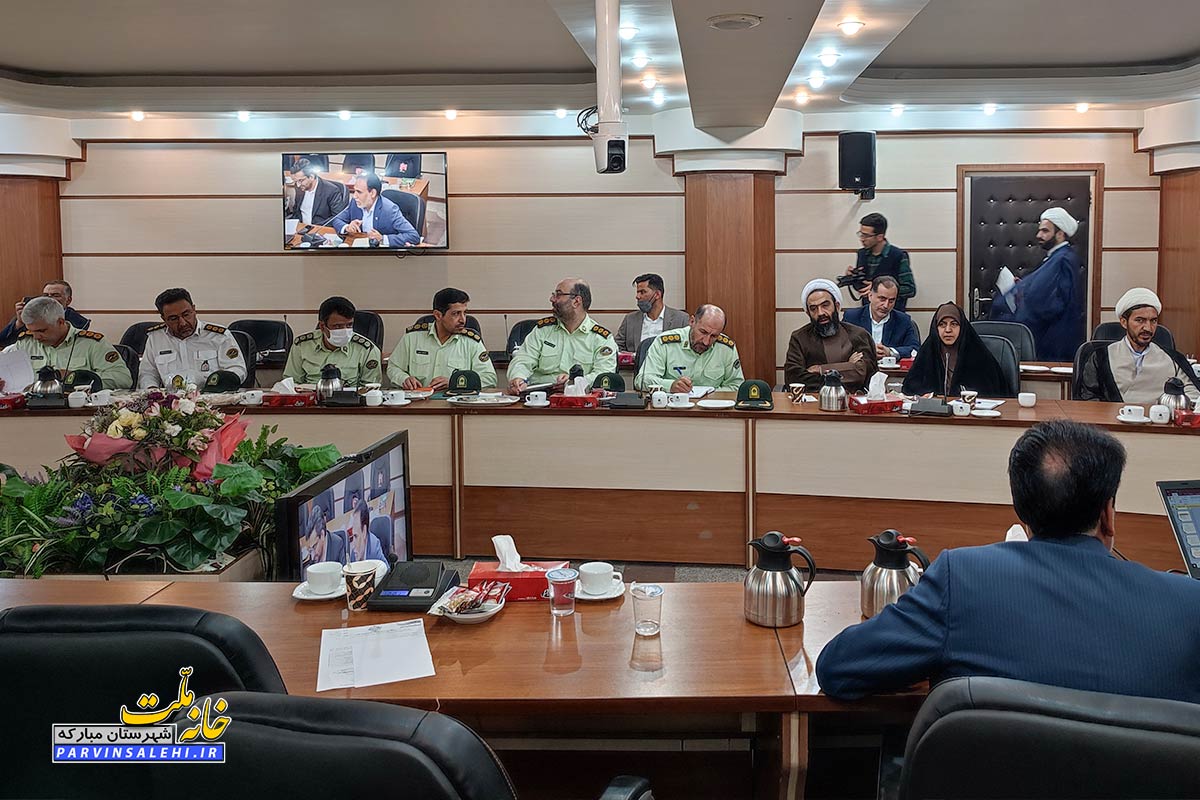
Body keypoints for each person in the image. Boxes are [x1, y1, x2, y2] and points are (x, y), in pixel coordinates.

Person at [816, 420, 1200, 704]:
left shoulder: (962, 579)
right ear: (1108, 514)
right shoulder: (1188, 604)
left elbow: (838, 668)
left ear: (1022, 510)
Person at [989, 206, 1084, 362]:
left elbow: (1051, 302)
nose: (1039, 235)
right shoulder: (1055, 258)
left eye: (1045, 231)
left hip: (1054, 342)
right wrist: (1024, 287)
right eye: (1040, 230)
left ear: (1060, 234)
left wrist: (1022, 293)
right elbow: (1045, 288)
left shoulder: (1063, 260)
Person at [1077, 288, 1200, 404]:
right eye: (1140, 320)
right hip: (1113, 418)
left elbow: (1193, 395)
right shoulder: (1100, 357)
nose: (1148, 328)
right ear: (1124, 322)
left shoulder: (1174, 359)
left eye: (1153, 321)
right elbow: (1088, 399)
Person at [507, 278, 617, 393]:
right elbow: (523, 359)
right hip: (539, 396)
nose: (552, 299)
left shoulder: (601, 338)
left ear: (576, 301)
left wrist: (575, 382)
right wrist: (518, 377)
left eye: (558, 295)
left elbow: (604, 374)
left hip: (579, 397)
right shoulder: (543, 330)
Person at [1, 297, 131, 391]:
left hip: (77, 409)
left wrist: (77, 378)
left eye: (41, 331)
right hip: (31, 410)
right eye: (31, 331)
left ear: (60, 322)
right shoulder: (25, 343)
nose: (36, 337)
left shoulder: (92, 344)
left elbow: (123, 378)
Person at [386, 288, 496, 390]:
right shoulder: (412, 338)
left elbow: (489, 378)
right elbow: (393, 367)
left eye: (464, 313)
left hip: (456, 402)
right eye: (456, 314)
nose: (463, 320)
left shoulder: (472, 342)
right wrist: (404, 379)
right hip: (420, 401)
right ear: (438, 315)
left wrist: (455, 383)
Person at [138, 288, 245, 390]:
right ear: (164, 319)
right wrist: (153, 391)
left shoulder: (219, 336)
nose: (183, 323)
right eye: (174, 319)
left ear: (194, 309)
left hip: (212, 396)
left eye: (186, 314)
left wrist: (221, 385)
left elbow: (237, 368)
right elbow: (147, 373)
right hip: (171, 399)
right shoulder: (155, 338)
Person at [783, 279, 877, 391]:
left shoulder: (858, 335)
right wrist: (847, 367)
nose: (820, 313)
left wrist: (821, 369)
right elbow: (794, 379)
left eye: (825, 305)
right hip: (813, 400)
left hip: (851, 399)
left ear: (837, 306)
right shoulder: (799, 338)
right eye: (813, 309)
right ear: (808, 313)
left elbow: (862, 373)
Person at [902, 302, 1011, 397]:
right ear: (936, 328)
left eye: (954, 324)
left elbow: (993, 393)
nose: (948, 330)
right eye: (942, 324)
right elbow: (909, 390)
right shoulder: (927, 354)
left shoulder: (979, 356)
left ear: (962, 327)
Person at [634, 304, 745, 392]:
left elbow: (736, 386)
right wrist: (670, 386)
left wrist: (709, 394)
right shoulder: (665, 343)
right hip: (674, 409)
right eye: (703, 332)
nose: (706, 342)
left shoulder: (726, 348)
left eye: (714, 336)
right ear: (692, 321)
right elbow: (642, 380)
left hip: (712, 410)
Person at [283, 296, 382, 386]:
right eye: (337, 326)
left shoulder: (367, 349)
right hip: (311, 398)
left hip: (349, 399)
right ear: (322, 326)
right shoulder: (302, 346)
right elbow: (291, 385)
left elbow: (370, 390)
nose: (345, 331)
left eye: (349, 325)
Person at [843, 213, 916, 312]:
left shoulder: (898, 255)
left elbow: (910, 289)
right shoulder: (862, 254)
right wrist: (853, 278)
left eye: (866, 236)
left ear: (880, 237)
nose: (862, 239)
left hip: (892, 314)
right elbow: (863, 288)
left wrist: (880, 289)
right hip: (868, 313)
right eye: (861, 234)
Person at [327, 172, 420, 247]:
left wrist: (383, 238)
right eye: (354, 191)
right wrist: (347, 227)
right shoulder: (355, 203)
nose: (354, 196)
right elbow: (337, 219)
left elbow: (413, 236)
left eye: (359, 192)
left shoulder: (390, 210)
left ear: (372, 193)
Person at [841, 276, 921, 360]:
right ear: (870, 296)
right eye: (882, 299)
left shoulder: (903, 320)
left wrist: (890, 352)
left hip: (891, 368)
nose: (886, 305)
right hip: (862, 367)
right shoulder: (851, 317)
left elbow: (915, 350)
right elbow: (840, 347)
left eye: (891, 301)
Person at [0, 280, 90, 348]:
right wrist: (19, 323)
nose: (50, 299)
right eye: (46, 295)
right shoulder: (32, 313)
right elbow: (3, 342)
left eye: (55, 295)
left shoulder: (79, 321)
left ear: (68, 300)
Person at [614, 273, 689, 352]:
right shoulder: (630, 319)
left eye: (642, 292)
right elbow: (617, 347)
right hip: (637, 360)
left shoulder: (681, 319)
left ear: (657, 294)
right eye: (637, 292)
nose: (637, 296)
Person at [287, 157, 349, 226]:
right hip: (301, 228)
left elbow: (338, 217)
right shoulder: (300, 187)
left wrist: (315, 228)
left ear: (311, 177)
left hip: (320, 229)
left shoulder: (331, 191)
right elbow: (296, 212)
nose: (298, 185)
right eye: (296, 181)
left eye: (300, 181)